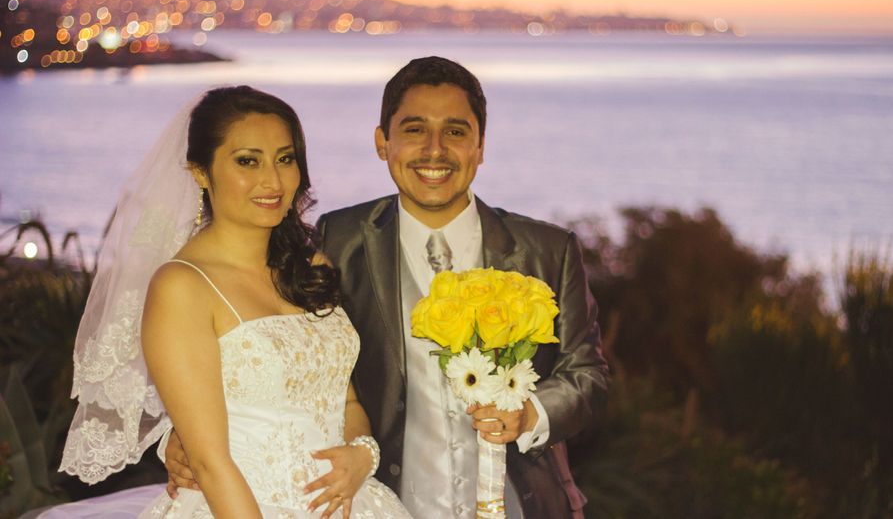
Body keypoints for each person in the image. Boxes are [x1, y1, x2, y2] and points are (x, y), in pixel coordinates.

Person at [166, 57, 610, 518]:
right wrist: (182, 439)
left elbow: (589, 375)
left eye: (456, 132)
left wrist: (530, 414)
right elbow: (258, 346)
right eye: (415, 130)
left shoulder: (547, 250)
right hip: (388, 501)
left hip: (522, 502)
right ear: (383, 142)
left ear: (481, 146)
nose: (434, 150)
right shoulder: (334, 242)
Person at [51, 86, 411, 518]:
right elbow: (209, 462)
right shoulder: (182, 287)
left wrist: (361, 456)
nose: (273, 181)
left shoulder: (310, 267)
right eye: (247, 161)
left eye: (285, 158)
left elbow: (345, 401)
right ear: (200, 172)